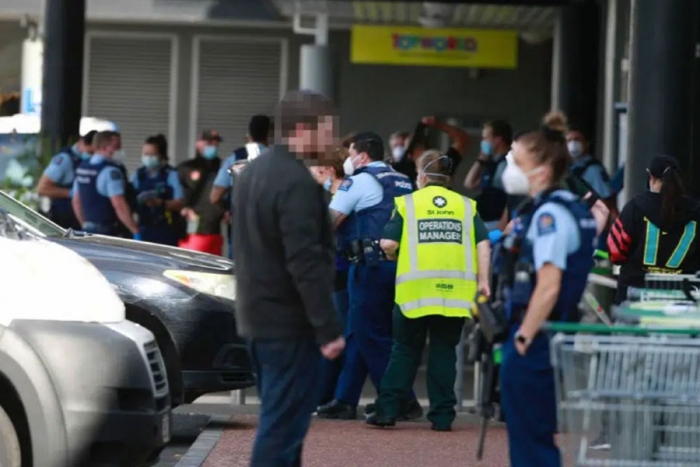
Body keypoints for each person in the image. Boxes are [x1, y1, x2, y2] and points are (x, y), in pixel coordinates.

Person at [232, 89, 344, 467]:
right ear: (302, 129)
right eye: (327, 129)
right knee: (281, 431)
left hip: (257, 317)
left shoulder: (252, 175)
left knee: (280, 424)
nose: (333, 139)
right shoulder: (296, 182)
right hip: (289, 324)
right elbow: (305, 261)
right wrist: (328, 328)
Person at [366, 150, 491, 431]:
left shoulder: (409, 203)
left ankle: (387, 411)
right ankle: (442, 417)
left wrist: (396, 255)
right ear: (448, 179)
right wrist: (484, 281)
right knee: (444, 351)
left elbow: (387, 243)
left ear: (421, 176)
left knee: (405, 350)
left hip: (415, 293)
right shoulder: (466, 206)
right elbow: (483, 243)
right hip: (454, 294)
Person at [497, 128, 597, 467]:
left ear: (541, 170)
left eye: (517, 161)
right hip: (551, 334)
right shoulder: (570, 206)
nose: (510, 168)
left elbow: (549, 284)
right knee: (535, 434)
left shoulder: (549, 215)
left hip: (537, 338)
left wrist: (524, 336)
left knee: (531, 442)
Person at [317, 132, 420, 421]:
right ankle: (345, 399)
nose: (348, 160)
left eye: (350, 155)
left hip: (369, 266)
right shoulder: (403, 180)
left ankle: (401, 400)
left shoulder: (359, 180)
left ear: (362, 156)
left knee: (372, 335)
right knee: (359, 332)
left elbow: (330, 221)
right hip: (399, 266)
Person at [608, 155, 700, 304]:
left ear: (651, 177)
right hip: (682, 301)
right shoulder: (696, 211)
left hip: (635, 298)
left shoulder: (635, 207)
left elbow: (615, 253)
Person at [309, 146, 351, 406]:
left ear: (328, 170)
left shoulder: (336, 198)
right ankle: (330, 394)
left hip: (336, 274)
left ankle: (326, 395)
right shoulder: (339, 195)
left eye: (315, 168)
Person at [72, 131, 140, 238]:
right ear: (104, 147)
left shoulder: (82, 168)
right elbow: (119, 205)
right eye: (116, 146)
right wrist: (135, 230)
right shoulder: (111, 171)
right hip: (109, 232)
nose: (119, 150)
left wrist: (84, 224)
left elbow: (76, 201)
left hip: (88, 229)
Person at [177, 130, 227, 255]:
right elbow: (177, 195)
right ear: (198, 143)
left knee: (215, 271)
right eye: (209, 142)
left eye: (215, 143)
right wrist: (184, 208)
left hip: (215, 230)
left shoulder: (222, 167)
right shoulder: (186, 168)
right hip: (192, 231)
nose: (213, 146)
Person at [37, 130, 97, 229]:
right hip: (64, 220)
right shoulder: (64, 160)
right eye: (90, 152)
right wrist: (71, 193)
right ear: (81, 142)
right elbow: (42, 188)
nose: (92, 156)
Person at [131, 134, 185, 246]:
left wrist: (161, 203)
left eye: (152, 154)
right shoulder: (138, 175)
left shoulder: (170, 174)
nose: (148, 158)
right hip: (144, 227)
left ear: (161, 155)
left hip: (166, 229)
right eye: (146, 154)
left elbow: (180, 202)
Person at [464, 120, 513, 230]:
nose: (483, 142)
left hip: (496, 223)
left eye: (486, 138)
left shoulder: (507, 164)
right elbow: (469, 183)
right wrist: (481, 160)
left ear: (498, 140)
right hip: (484, 221)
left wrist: (501, 226)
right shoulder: (492, 163)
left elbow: (511, 198)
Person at [395, 117, 469, 184]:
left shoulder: (440, 166)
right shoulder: (401, 170)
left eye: (416, 149)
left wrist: (437, 124)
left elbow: (461, 139)